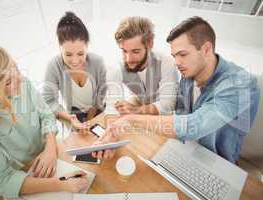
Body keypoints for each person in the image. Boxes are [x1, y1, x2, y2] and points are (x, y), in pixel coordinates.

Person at [94, 16, 260, 163]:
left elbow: (195, 125)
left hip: (217, 161)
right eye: (175, 56)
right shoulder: (188, 75)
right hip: (184, 148)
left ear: (206, 50)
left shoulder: (241, 83)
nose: (177, 62)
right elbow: (179, 112)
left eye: (183, 54)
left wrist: (130, 119)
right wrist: (113, 132)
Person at [0, 40, 88, 198]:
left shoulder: (23, 83)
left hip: (51, 152)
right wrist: (59, 183)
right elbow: (0, 180)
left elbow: (46, 115)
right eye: (8, 82)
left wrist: (50, 148)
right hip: (26, 174)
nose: (20, 80)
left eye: (15, 67)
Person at [43, 12, 107, 130]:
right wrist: (70, 119)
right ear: (59, 47)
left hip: (98, 111)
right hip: (72, 116)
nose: (75, 61)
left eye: (80, 53)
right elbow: (49, 101)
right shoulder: (54, 66)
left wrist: (91, 117)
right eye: (68, 54)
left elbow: (102, 91)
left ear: (87, 46)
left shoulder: (98, 62)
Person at [107, 16, 179, 115]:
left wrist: (137, 110)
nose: (128, 59)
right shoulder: (116, 68)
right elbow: (112, 104)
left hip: (161, 111)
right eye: (124, 51)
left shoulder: (167, 63)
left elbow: (167, 105)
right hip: (139, 101)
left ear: (150, 44)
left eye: (135, 51)